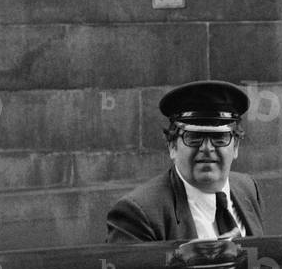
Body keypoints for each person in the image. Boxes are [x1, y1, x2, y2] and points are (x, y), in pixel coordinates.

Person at [105, 80, 264, 243]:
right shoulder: (138, 214)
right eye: (194, 137)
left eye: (219, 137)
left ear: (236, 146)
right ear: (172, 146)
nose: (207, 148)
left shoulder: (248, 189)